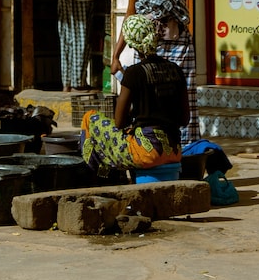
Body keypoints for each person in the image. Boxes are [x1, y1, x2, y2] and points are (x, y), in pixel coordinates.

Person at [111, 0, 200, 143]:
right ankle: (147, 142)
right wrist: (116, 54)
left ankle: (185, 148)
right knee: (146, 97)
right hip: (148, 50)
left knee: (183, 96)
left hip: (178, 47)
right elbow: (130, 15)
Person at [80, 14, 188, 177]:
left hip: (146, 153)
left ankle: (100, 177)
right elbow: (184, 119)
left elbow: (119, 122)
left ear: (132, 45)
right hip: (174, 151)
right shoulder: (176, 70)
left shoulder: (134, 73)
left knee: (90, 119)